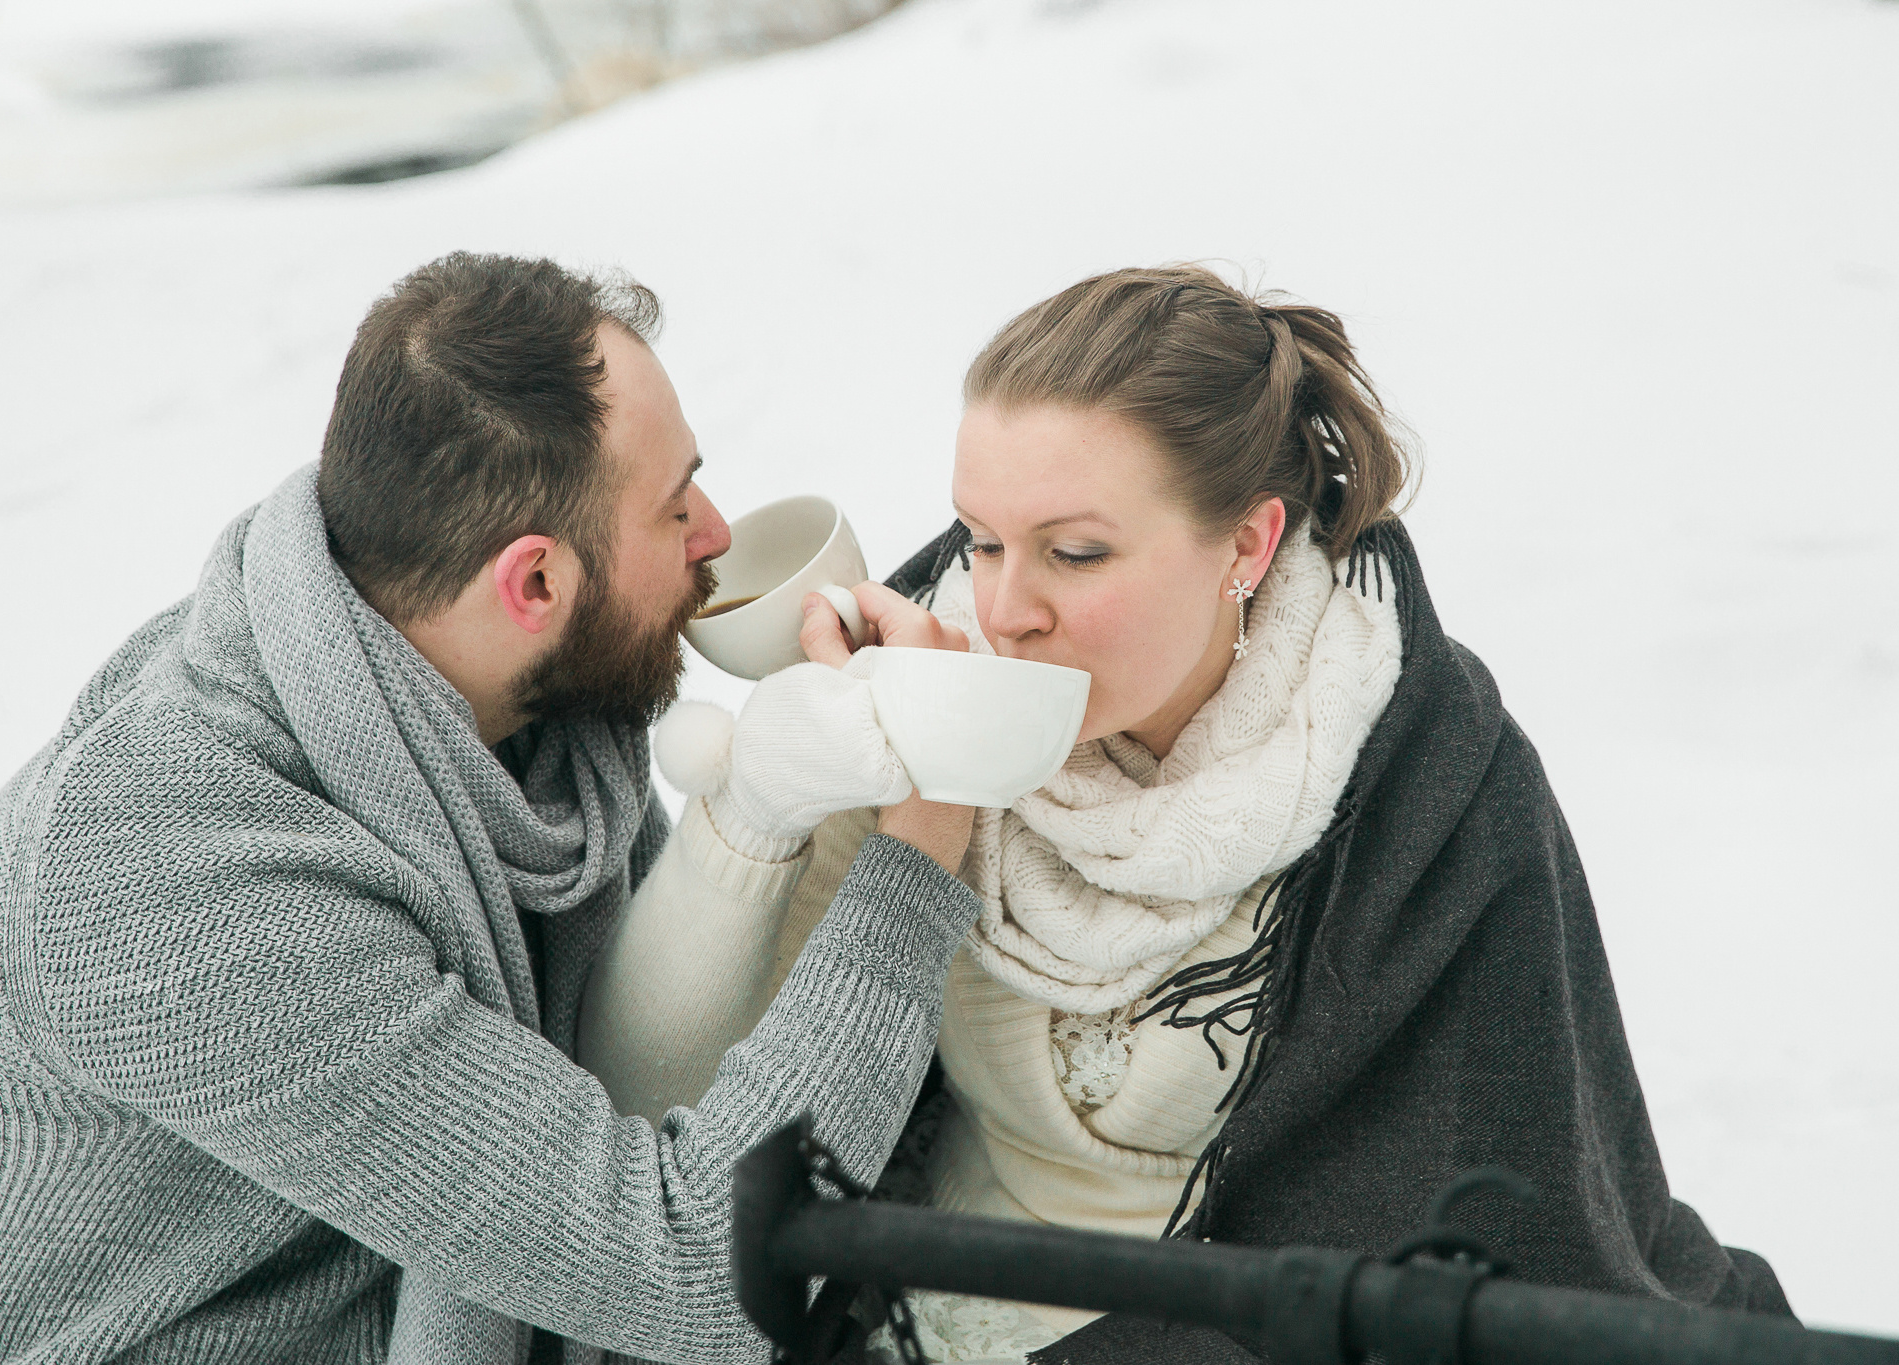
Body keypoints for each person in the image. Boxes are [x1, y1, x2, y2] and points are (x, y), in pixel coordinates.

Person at [579, 264, 1793, 1364]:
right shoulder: (927, 698)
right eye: (982, 538)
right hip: (911, 1310)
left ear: (1247, 545)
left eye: (1077, 554)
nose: (1005, 611)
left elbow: (1488, 1205)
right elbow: (666, 1117)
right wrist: (760, 813)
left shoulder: (1417, 768)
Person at [0, 252, 982, 1365]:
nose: (718, 534)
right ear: (532, 583)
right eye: (672, 505)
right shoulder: (184, 891)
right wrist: (922, 843)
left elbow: (628, 1073)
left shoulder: (508, 714)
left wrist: (766, 815)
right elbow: (701, 1279)